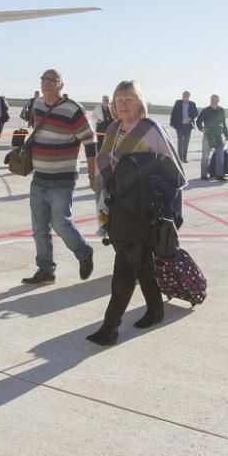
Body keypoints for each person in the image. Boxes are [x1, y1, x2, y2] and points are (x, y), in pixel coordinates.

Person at [87, 79, 186, 345]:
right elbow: (104, 167)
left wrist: (172, 213)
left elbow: (175, 174)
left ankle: (110, 327)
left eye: (129, 98)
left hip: (144, 212)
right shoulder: (112, 129)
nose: (124, 104)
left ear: (140, 102)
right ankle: (156, 309)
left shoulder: (151, 130)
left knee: (125, 269)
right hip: (119, 207)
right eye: (119, 99)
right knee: (141, 265)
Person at [17, 69, 96, 285]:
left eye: (53, 80)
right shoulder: (38, 105)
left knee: (61, 223)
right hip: (39, 176)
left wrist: (92, 173)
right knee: (39, 228)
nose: (47, 83)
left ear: (62, 85)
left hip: (63, 178)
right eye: (44, 79)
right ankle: (46, 270)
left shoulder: (73, 110)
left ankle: (84, 252)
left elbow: (90, 141)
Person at [195, 94, 228, 181]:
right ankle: (203, 175)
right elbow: (198, 121)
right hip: (208, 136)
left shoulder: (221, 110)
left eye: (215, 100)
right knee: (205, 156)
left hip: (218, 136)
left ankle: (219, 175)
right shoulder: (206, 110)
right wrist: (201, 128)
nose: (213, 101)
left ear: (218, 101)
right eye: (212, 99)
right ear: (210, 100)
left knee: (220, 156)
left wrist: (227, 135)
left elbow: (223, 123)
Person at [169, 90, 199, 163]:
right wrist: (171, 123)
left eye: (186, 96)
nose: (184, 97)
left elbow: (196, 113)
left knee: (186, 142)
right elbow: (173, 112)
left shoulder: (192, 104)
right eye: (183, 95)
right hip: (179, 125)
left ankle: (184, 158)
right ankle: (179, 158)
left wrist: (191, 117)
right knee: (180, 141)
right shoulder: (178, 102)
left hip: (188, 126)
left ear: (188, 96)